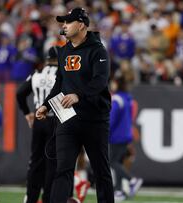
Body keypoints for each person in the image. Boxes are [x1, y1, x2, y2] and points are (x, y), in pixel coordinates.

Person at [36, 7, 114, 203]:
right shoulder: (63, 51)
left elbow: (100, 81)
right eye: (63, 22)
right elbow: (59, 84)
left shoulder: (98, 50)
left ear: (81, 25)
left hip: (94, 118)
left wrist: (79, 95)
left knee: (100, 170)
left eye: (68, 22)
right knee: (62, 169)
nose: (64, 26)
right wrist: (47, 105)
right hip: (67, 118)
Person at [16, 46, 59, 203]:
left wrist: (27, 113)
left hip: (39, 121)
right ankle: (47, 198)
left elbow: (20, 93)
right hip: (55, 120)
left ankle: (31, 197)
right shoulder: (61, 74)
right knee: (52, 163)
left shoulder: (36, 74)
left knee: (36, 161)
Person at [109, 70, 142, 201]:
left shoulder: (117, 99)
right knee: (118, 162)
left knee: (112, 162)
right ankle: (118, 191)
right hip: (126, 135)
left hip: (116, 136)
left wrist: (105, 132)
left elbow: (112, 120)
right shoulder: (128, 98)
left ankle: (132, 180)